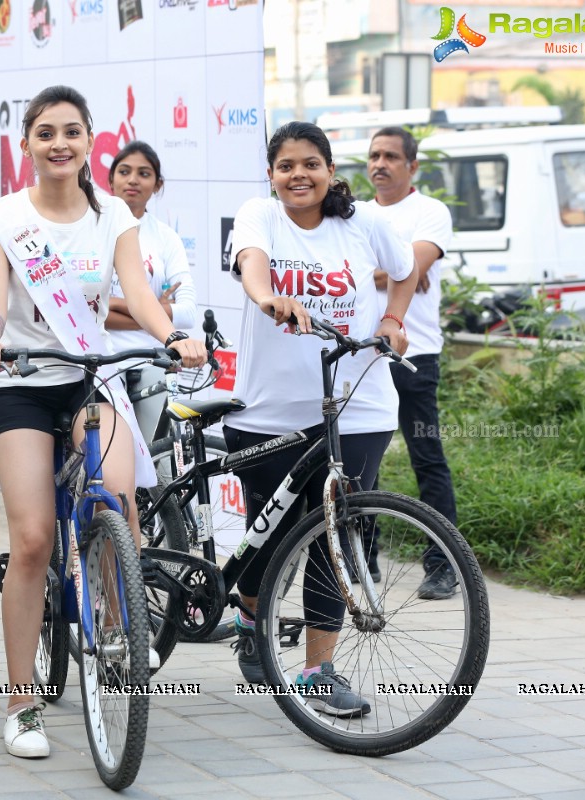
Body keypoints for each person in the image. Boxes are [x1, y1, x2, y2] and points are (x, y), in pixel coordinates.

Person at [0, 85, 206, 759]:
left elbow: (138, 294)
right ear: (29, 145)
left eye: (72, 131)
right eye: (46, 133)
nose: (59, 143)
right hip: (18, 383)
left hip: (87, 379)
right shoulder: (3, 217)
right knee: (35, 539)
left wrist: (173, 335)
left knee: (120, 500)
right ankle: (20, 704)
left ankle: (114, 625)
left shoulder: (112, 219)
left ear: (89, 140)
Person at [225, 121, 415, 715]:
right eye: (286, 165)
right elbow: (252, 264)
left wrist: (392, 320)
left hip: (357, 404)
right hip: (270, 409)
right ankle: (251, 612)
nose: (298, 175)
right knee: (272, 534)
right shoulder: (260, 215)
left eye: (310, 164)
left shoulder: (365, 223)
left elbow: (406, 270)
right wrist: (268, 298)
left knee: (334, 531)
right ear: (272, 174)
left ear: (331, 170)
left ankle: (316, 671)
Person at [366, 126, 459, 600]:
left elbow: (415, 268)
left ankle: (443, 566)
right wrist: (398, 273)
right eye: (374, 156)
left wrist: (392, 272)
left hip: (415, 356)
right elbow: (400, 274)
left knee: (427, 459)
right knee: (364, 460)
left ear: (412, 166)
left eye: (390, 157)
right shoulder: (357, 215)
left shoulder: (429, 212)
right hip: (365, 355)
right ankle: (364, 555)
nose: (380, 164)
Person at [105, 140, 197, 442]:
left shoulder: (166, 237)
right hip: (100, 364)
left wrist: (113, 306)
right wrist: (149, 308)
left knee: (156, 466)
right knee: (104, 463)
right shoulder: (91, 229)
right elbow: (86, 311)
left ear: (157, 185)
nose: (133, 180)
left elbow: (186, 312)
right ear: (110, 179)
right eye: (125, 171)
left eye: (144, 173)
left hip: (152, 364)